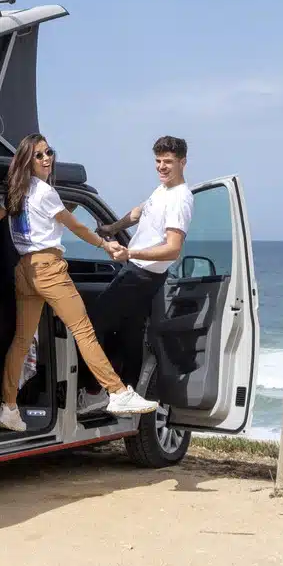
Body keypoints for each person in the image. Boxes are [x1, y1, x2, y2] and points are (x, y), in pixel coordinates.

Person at [0, 133, 161, 432]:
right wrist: (106, 245)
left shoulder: (14, 190)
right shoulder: (43, 192)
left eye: (49, 152)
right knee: (83, 330)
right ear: (28, 160)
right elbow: (75, 226)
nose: (47, 159)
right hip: (49, 269)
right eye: (39, 155)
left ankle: (9, 407)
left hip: (25, 270)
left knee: (22, 340)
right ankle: (117, 392)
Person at [79, 135, 194, 414]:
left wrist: (130, 253)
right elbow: (139, 212)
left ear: (183, 162)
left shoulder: (180, 199)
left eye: (168, 162)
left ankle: (95, 390)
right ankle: (125, 391)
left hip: (142, 275)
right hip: (137, 271)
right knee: (129, 334)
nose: (162, 167)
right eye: (158, 161)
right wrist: (111, 227)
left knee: (90, 326)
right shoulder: (162, 190)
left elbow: (172, 250)